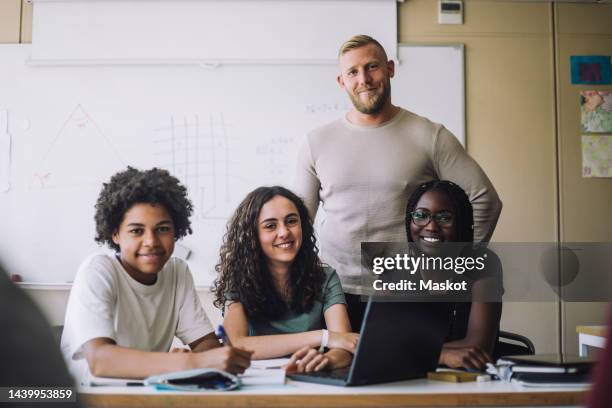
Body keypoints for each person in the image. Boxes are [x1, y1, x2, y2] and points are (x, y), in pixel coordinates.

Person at [294, 34, 502, 330]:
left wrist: (451, 265)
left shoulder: (429, 135)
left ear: (390, 69)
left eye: (372, 67)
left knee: (407, 374)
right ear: (341, 81)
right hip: (332, 294)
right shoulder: (316, 142)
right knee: (335, 372)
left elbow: (485, 200)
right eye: (352, 72)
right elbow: (298, 224)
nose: (364, 79)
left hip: (408, 291)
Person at [61, 167, 252, 382]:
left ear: (176, 231)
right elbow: (100, 361)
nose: (151, 241)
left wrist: (216, 356)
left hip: (142, 393)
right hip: (84, 396)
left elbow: (205, 345)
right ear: (115, 234)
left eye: (162, 229)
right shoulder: (98, 271)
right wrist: (186, 363)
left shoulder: (177, 271)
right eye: (136, 231)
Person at [214, 186, 358, 373]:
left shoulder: (325, 277)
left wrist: (325, 360)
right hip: (255, 383)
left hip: (309, 380)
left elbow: (344, 345)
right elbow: (235, 344)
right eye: (270, 226)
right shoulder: (239, 278)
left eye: (291, 221)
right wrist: (323, 337)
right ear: (253, 235)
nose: (284, 232)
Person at [405, 180, 502, 371]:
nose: (431, 226)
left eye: (444, 218)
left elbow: (478, 346)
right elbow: (381, 346)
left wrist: (409, 352)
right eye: (421, 215)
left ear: (461, 224)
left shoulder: (483, 263)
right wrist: (442, 355)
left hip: (469, 381)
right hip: (408, 379)